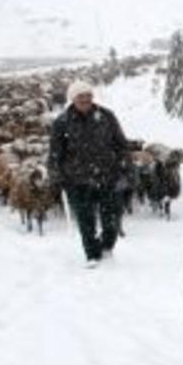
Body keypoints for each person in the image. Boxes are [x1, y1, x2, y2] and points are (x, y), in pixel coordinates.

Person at [48, 80, 139, 268]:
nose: (85, 99)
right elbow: (55, 152)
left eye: (88, 95)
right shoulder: (62, 122)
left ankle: (106, 246)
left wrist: (126, 167)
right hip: (77, 180)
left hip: (107, 176)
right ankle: (92, 255)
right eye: (80, 96)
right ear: (72, 98)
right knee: (85, 221)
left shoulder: (106, 116)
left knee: (111, 220)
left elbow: (121, 144)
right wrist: (56, 175)